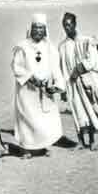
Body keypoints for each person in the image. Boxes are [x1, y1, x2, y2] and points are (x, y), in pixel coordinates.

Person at [11, 13, 65, 158]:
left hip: (44, 89)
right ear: (31, 28)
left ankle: (44, 146)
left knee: (45, 118)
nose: (38, 31)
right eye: (36, 27)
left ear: (45, 29)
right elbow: (17, 67)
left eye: (41, 28)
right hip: (27, 90)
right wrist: (31, 78)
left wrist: (58, 84)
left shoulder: (49, 47)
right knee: (27, 118)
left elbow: (55, 67)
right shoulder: (22, 47)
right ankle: (26, 149)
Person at [59, 12, 98, 151]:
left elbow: (94, 60)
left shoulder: (86, 41)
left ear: (75, 24)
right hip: (72, 84)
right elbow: (62, 67)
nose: (67, 28)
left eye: (69, 24)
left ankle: (92, 140)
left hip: (87, 82)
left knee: (90, 109)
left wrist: (79, 68)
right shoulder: (62, 46)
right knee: (77, 111)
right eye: (65, 25)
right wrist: (63, 88)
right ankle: (80, 141)